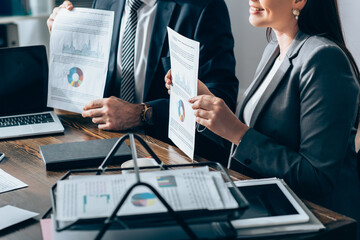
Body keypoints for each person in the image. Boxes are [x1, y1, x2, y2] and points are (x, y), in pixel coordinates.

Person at [166, 0, 360, 233]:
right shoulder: (274, 49)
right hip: (268, 204)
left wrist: (238, 132)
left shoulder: (324, 58)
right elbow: (252, 138)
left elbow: (317, 177)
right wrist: (207, 107)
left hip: (315, 220)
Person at [47, 0, 238, 162]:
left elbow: (220, 101)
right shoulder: (104, 2)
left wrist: (140, 113)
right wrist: (66, 32)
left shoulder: (203, 7)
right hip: (107, 145)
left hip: (171, 155)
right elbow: (90, 78)